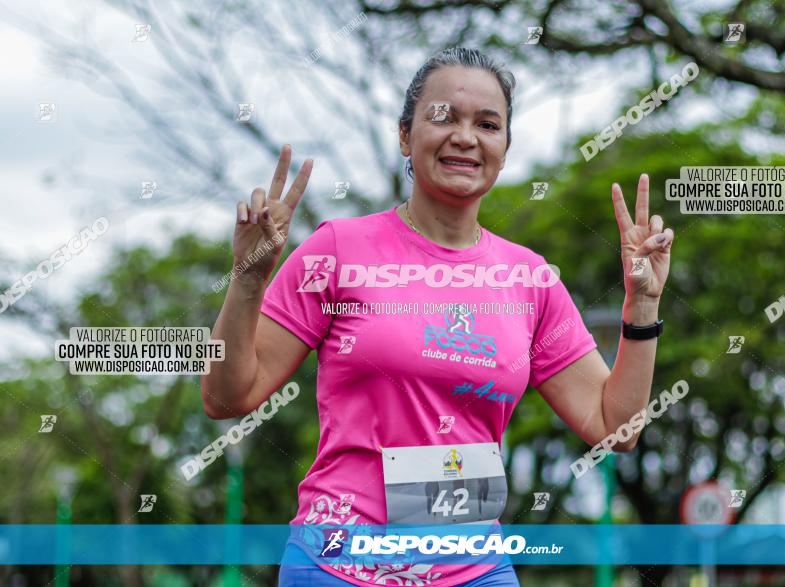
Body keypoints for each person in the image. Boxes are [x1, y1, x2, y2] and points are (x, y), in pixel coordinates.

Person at [201, 47, 674, 587]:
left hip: (474, 569)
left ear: (504, 147)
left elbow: (617, 428)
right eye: (444, 117)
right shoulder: (338, 250)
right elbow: (226, 397)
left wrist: (642, 307)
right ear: (406, 135)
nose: (466, 137)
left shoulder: (530, 279)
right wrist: (247, 280)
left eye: (488, 124)